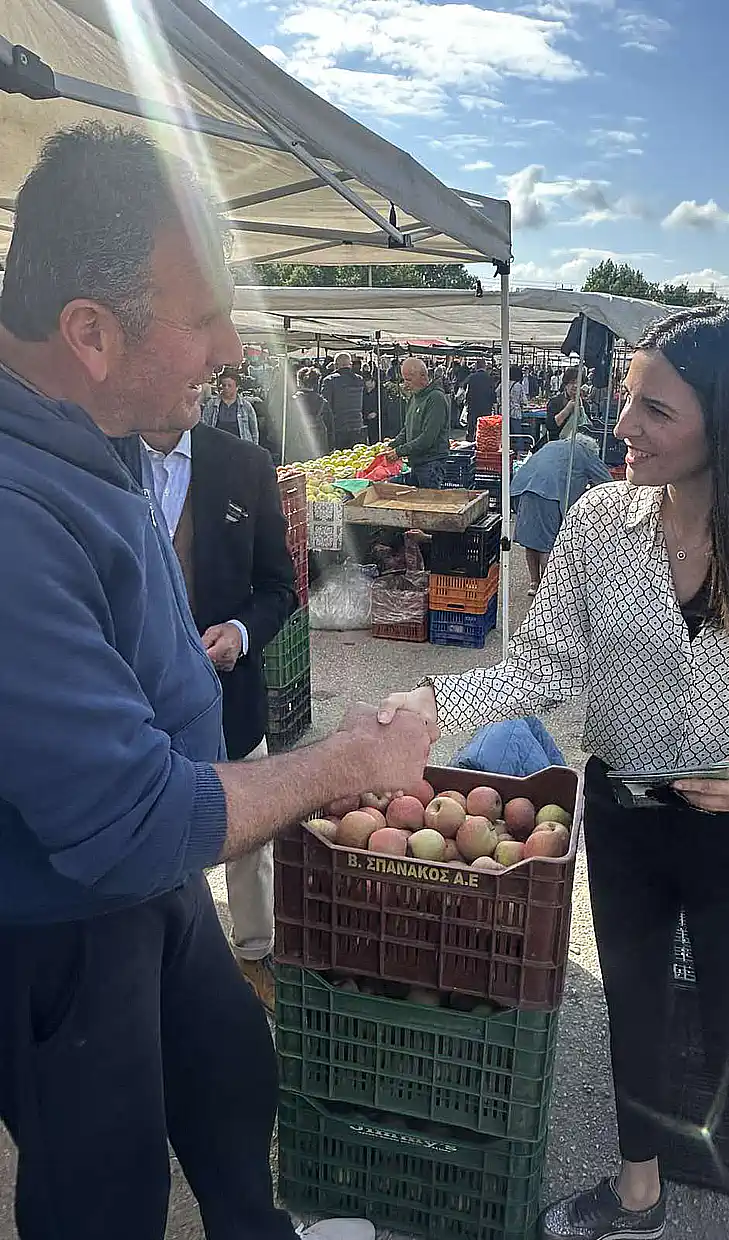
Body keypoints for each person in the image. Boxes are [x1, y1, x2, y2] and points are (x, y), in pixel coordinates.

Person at [379, 303, 729, 1240]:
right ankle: (637, 1193)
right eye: (629, 401)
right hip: (628, 817)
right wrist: (433, 704)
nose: (622, 427)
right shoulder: (599, 526)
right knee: (636, 1013)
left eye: (655, 410)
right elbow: (547, 665)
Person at [0, 122, 434, 1240]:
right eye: (201, 319)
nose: (228, 347)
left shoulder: (89, 430)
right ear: (89, 333)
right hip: (62, 922)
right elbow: (131, 820)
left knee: (233, 1076)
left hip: (153, 889)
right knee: (103, 1189)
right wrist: (346, 763)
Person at [141, 415, 297, 1013]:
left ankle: (257, 953)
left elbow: (279, 585)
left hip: (229, 696)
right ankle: (170, 963)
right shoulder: (99, 451)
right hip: (136, 704)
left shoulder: (244, 464)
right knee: (153, 829)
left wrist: (239, 631)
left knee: (247, 831)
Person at [512, 433, 611, 595]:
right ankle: (548, 590)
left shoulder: (553, 444)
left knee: (531, 541)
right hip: (548, 492)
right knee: (547, 544)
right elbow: (607, 482)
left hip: (523, 487)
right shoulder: (585, 452)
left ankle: (535, 583)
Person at [386, 358, 451, 488]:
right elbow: (407, 428)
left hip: (431, 464)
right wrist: (393, 444)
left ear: (423, 376)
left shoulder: (435, 398)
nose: (405, 384)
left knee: (428, 504)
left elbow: (428, 438)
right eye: (404, 380)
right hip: (417, 463)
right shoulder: (414, 397)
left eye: (408, 380)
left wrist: (399, 451)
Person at [202, 368, 260, 444]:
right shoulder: (212, 405)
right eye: (224, 385)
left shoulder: (246, 406)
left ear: (237, 387)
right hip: (217, 446)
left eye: (229, 386)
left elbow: (254, 431)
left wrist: (254, 450)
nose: (226, 388)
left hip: (241, 448)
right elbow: (204, 427)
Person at [320, 351, 365, 449]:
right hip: (357, 425)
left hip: (338, 426)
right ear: (350, 365)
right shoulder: (359, 380)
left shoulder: (329, 380)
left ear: (335, 365)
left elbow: (325, 405)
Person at [293, 365, 331, 460]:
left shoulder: (293, 401)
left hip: (298, 443)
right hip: (320, 442)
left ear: (299, 382)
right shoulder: (322, 401)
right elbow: (330, 425)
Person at [546, 365, 590, 442]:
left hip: (578, 445)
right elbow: (551, 426)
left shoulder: (584, 405)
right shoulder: (554, 402)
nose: (575, 386)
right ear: (566, 384)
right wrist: (567, 409)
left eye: (578, 383)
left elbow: (587, 428)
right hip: (557, 444)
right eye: (572, 382)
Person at [464, 356, 495, 440]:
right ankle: (483, 441)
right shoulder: (489, 378)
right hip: (486, 406)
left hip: (473, 406)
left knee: (471, 426)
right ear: (484, 367)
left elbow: (464, 388)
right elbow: (492, 393)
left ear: (477, 366)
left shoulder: (471, 377)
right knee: (484, 427)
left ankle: (470, 441)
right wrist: (493, 404)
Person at [499, 363, 527, 436]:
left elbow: (496, 394)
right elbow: (524, 401)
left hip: (504, 411)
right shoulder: (518, 386)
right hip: (515, 412)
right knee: (517, 433)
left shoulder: (503, 384)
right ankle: (518, 447)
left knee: (505, 433)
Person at [362, 367, 381, 445]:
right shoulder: (363, 391)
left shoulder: (380, 390)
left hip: (379, 421)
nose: (367, 386)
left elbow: (384, 405)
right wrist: (366, 415)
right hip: (367, 420)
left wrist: (376, 413)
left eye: (368, 383)